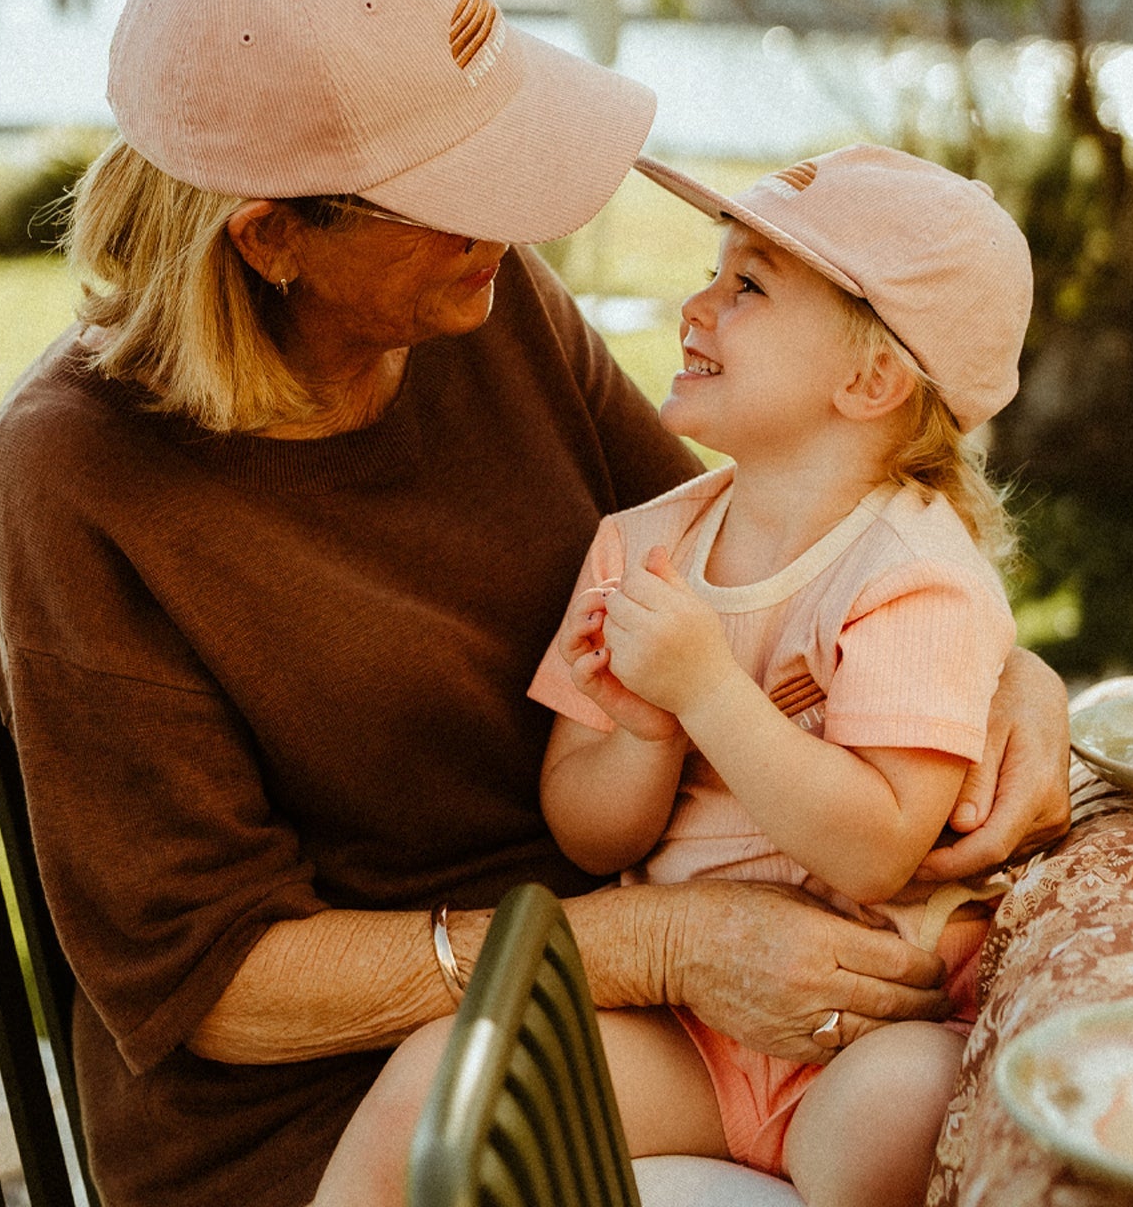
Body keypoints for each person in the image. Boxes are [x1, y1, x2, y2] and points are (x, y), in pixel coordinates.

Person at [0, 0, 1073, 1207]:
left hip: (644, 1014)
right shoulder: (80, 472)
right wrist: (654, 943)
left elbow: (785, 560)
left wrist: (1008, 684)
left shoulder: (471, 306)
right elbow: (220, 984)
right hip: (334, 1123)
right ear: (273, 240)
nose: (513, 217)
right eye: (455, 190)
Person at [318, 146, 1032, 1205]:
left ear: (871, 377)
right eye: (713, 269)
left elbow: (879, 844)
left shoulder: (917, 578)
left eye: (747, 285)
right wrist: (644, 733)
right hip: (685, 1033)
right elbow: (586, 829)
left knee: (898, 1117)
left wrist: (707, 692)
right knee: (437, 1080)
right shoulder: (639, 545)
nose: (695, 303)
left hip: (874, 1022)